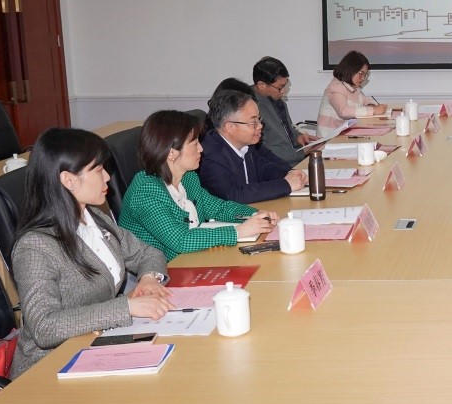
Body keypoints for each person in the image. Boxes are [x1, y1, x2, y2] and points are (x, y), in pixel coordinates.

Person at [9, 128, 171, 377]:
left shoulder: (93, 217)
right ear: (68, 180)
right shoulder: (35, 247)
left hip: (94, 348)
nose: (107, 177)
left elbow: (148, 253)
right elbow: (44, 327)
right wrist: (126, 307)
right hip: (48, 369)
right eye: (97, 170)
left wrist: (150, 277)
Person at [119, 110, 276, 261]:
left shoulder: (188, 178)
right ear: (171, 152)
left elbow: (219, 208)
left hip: (193, 259)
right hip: (163, 270)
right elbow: (181, 240)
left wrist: (256, 215)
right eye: (194, 144)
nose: (201, 149)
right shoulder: (145, 191)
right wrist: (238, 232)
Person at [199, 89, 307, 203]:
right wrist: (286, 184)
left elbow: (264, 169)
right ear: (230, 127)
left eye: (259, 120)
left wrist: (291, 173)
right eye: (253, 122)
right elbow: (234, 195)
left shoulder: (245, 145)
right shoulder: (209, 156)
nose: (260, 126)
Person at [252, 56, 314, 164]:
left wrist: (298, 136)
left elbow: (287, 129)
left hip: (293, 161)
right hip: (276, 166)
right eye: (280, 87)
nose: (284, 91)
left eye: (285, 85)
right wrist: (300, 153)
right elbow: (262, 150)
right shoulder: (250, 108)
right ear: (261, 85)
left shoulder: (277, 101)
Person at [318, 50, 387, 137]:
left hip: (344, 136)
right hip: (330, 139)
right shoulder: (335, 87)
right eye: (361, 73)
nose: (363, 78)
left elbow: (365, 100)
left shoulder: (353, 87)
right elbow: (344, 111)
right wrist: (373, 110)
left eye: (365, 75)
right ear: (350, 69)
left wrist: (371, 106)